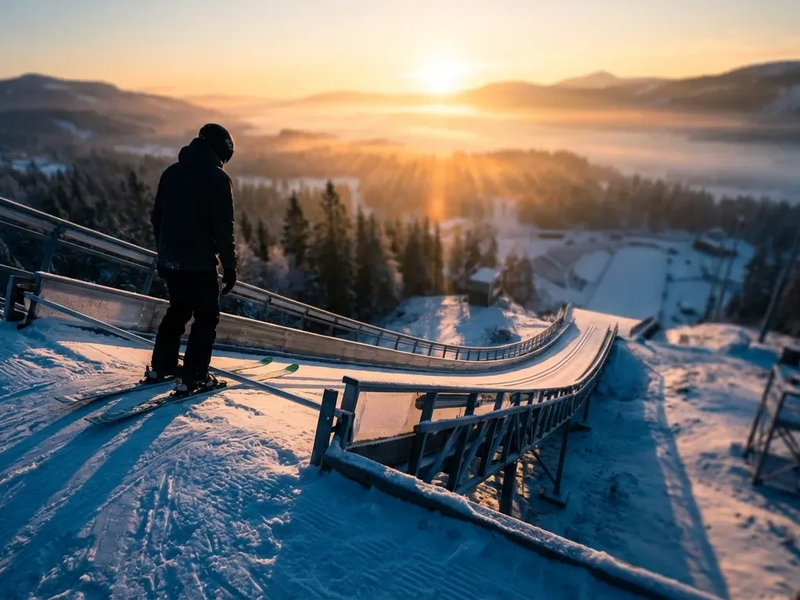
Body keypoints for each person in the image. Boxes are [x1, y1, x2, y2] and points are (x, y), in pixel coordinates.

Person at [146, 123, 238, 395]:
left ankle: (161, 366)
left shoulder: (171, 173)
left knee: (178, 311)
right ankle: (195, 376)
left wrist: (164, 252)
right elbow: (223, 228)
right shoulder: (218, 179)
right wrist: (230, 265)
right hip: (199, 263)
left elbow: (157, 219)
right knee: (206, 317)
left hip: (172, 260)